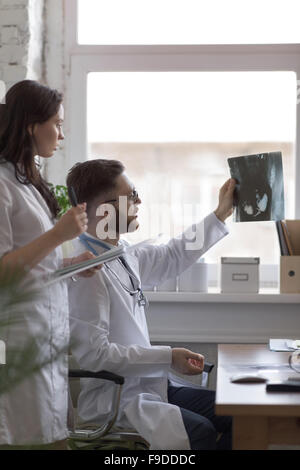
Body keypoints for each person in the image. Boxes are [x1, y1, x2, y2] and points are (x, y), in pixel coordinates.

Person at [67, 159, 235, 450]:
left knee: (241, 416)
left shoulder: (120, 253)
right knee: (202, 433)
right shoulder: (87, 272)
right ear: (102, 208)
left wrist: (220, 214)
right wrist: (167, 356)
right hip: (117, 400)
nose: (139, 201)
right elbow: (95, 355)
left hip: (150, 386)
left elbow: (173, 254)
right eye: (131, 196)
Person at [0, 80, 99, 449]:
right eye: (56, 123)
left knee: (54, 438)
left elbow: (32, 265)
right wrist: (58, 236)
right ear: (30, 126)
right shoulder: (2, 184)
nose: (61, 133)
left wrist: (70, 263)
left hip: (45, 339)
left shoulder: (28, 184)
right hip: (19, 341)